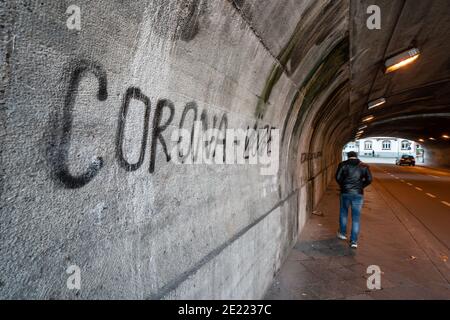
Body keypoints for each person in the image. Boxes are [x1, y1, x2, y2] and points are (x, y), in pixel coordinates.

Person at [335, 151, 372, 248]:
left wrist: (344, 186)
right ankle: (354, 241)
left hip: (345, 193)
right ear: (356, 156)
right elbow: (369, 179)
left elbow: (337, 177)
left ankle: (342, 233)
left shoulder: (343, 164)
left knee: (343, 213)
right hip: (358, 194)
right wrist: (361, 186)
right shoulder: (364, 166)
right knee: (356, 218)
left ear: (348, 156)